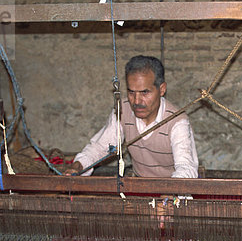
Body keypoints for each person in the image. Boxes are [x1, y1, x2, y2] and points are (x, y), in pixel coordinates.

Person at [64, 55, 198, 178]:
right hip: (139, 189)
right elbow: (100, 148)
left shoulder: (177, 122)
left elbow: (186, 168)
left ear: (162, 89)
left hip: (170, 192)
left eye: (145, 92)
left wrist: (169, 194)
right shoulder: (123, 109)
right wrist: (78, 166)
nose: (137, 101)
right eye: (131, 92)